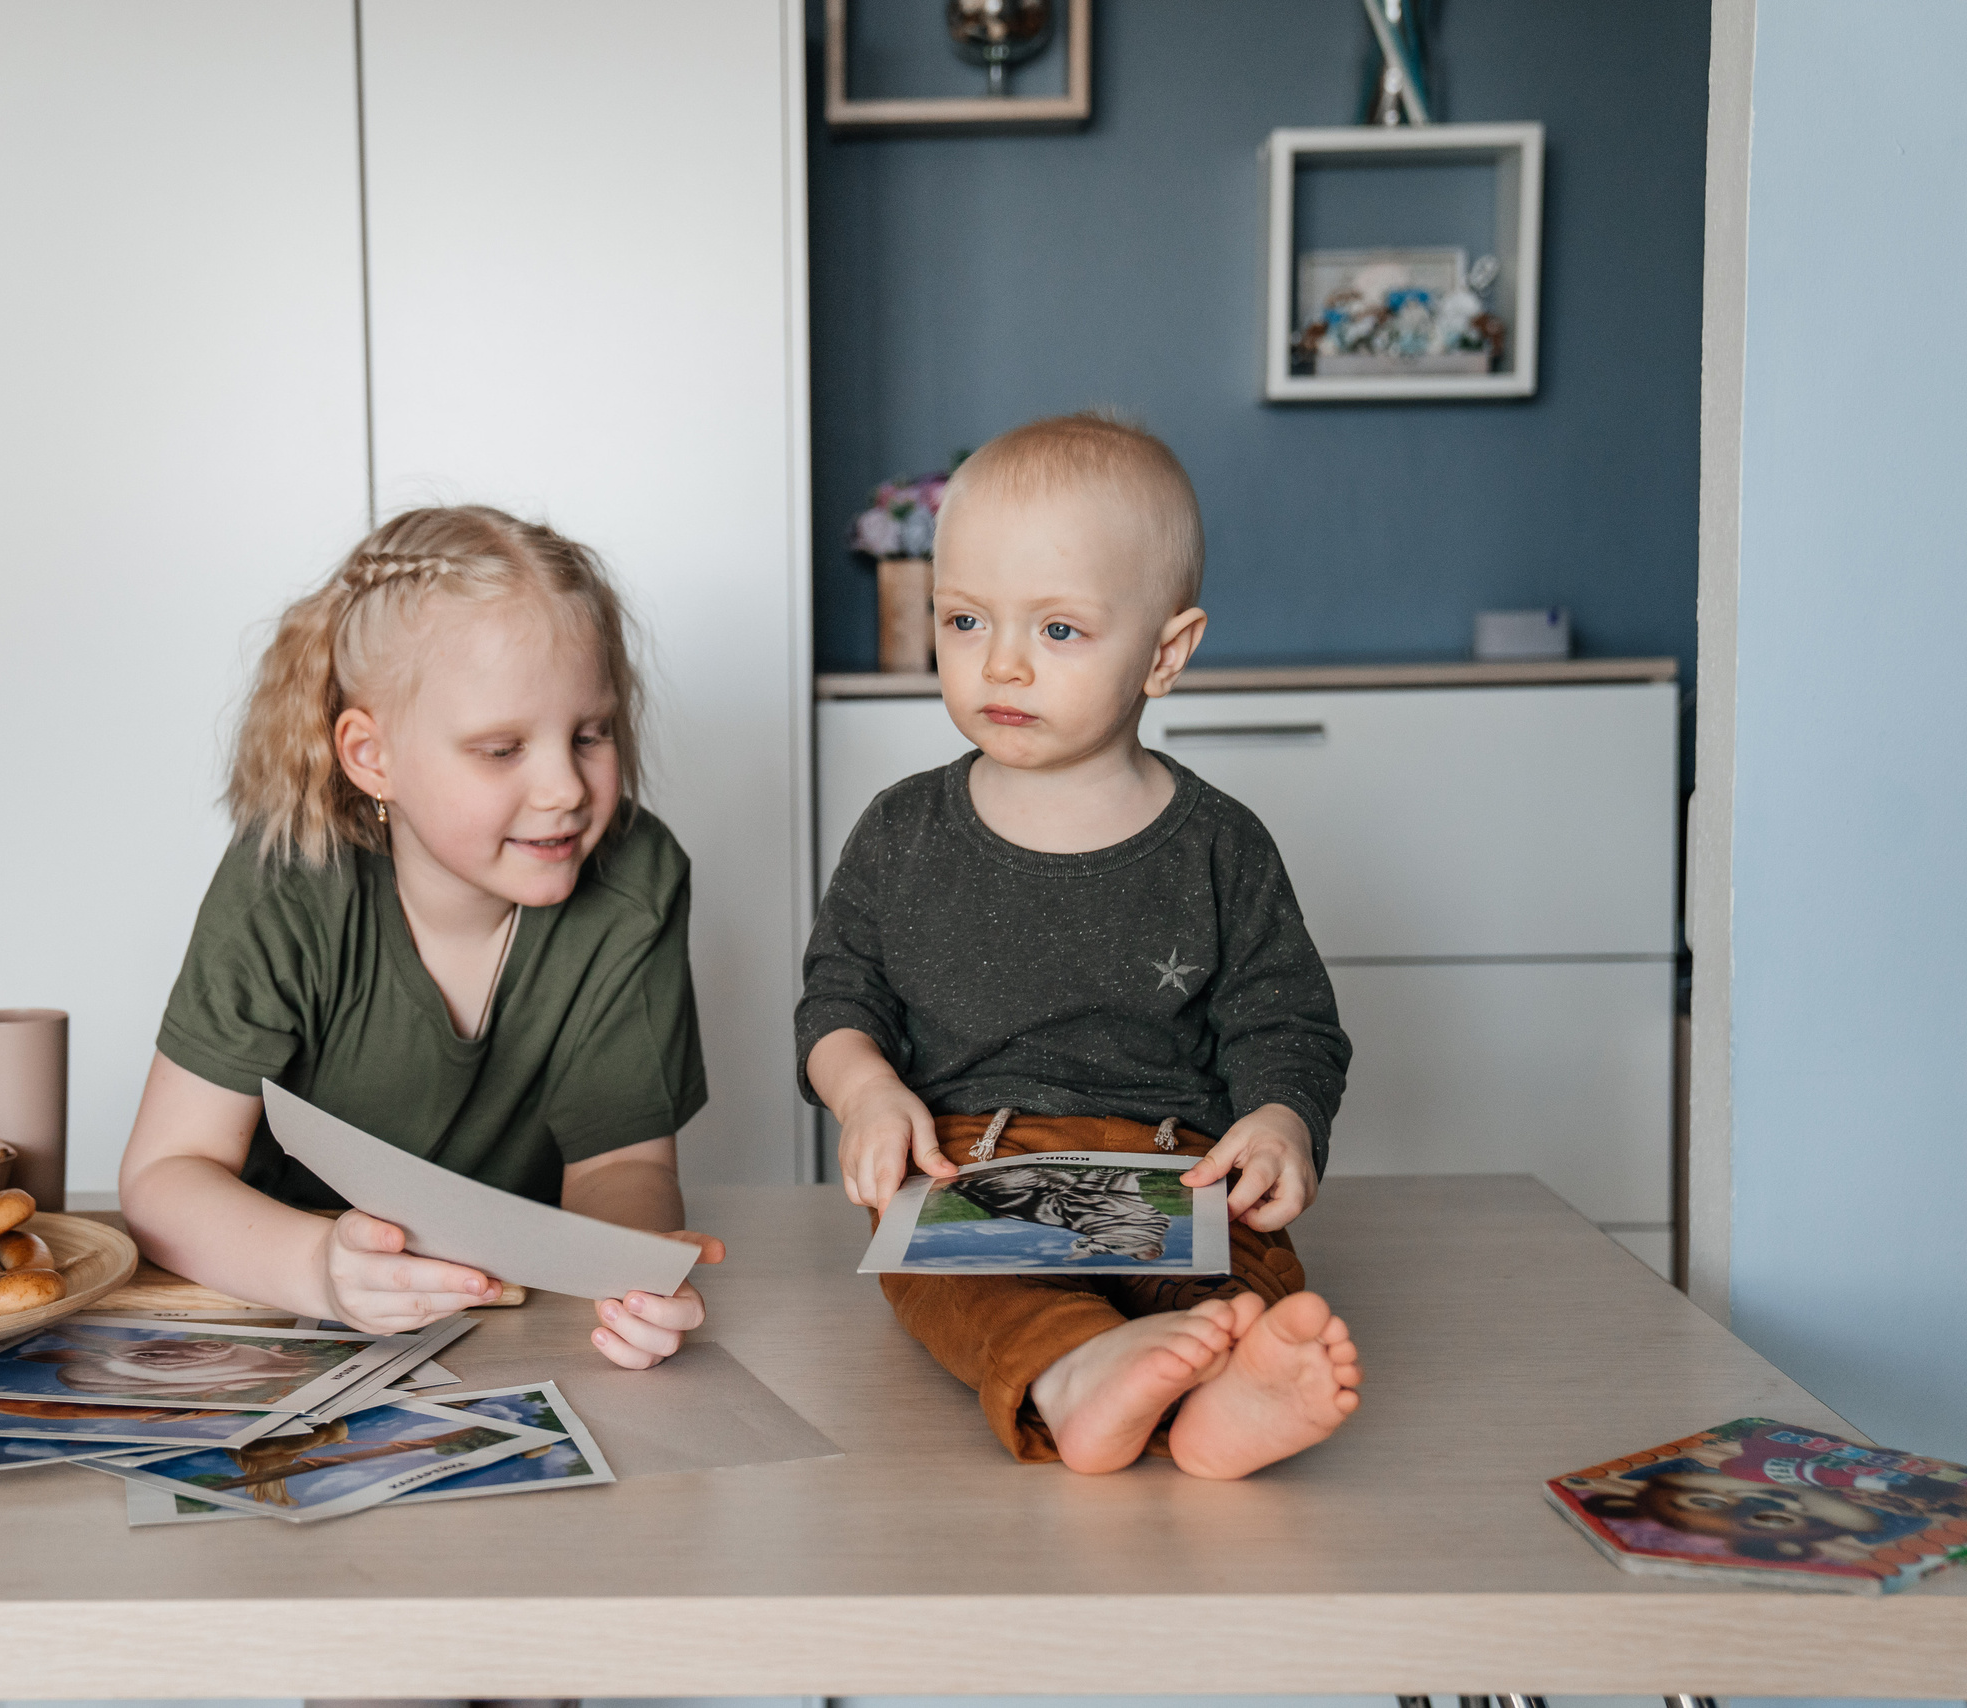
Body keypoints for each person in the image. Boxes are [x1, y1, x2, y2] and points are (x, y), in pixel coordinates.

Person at [800, 412, 1364, 1477]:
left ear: (1165, 653)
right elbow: (838, 998)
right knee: (953, 1285)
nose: (1001, 663)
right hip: (972, 1160)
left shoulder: (1218, 845)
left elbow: (1284, 1021)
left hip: (1177, 1166)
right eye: (964, 621)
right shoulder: (900, 831)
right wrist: (866, 1093)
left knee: (1250, 1282)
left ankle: (1218, 1398)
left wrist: (1282, 1123)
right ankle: (1075, 1374)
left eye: (1056, 630)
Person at [118, 505, 717, 1369]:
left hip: (510, 1328)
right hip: (279, 1318)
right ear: (372, 757)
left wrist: (628, 1273)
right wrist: (322, 1271)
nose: (564, 788)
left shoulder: (636, 879)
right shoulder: (286, 879)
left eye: (590, 735)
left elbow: (619, 1167)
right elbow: (166, 1177)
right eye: (502, 748)